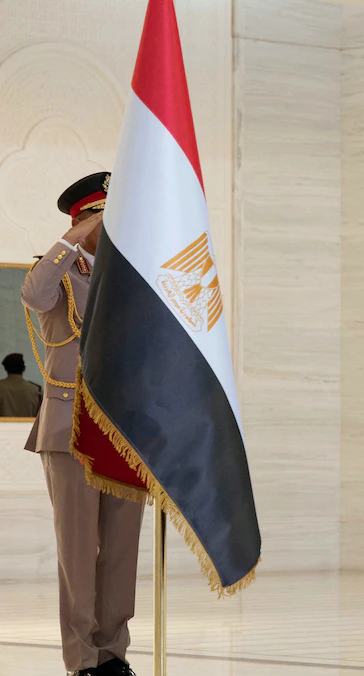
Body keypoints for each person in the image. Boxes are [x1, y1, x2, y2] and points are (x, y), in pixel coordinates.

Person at [22, 172, 144, 676]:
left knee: (120, 551)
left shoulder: (129, 277)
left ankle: (113, 654)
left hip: (124, 430)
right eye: (105, 220)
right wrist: (70, 240)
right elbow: (34, 295)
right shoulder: (57, 273)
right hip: (70, 426)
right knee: (77, 551)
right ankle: (82, 660)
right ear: (85, 220)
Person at [0, 353, 42, 417]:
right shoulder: (36, 390)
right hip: (30, 423)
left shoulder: (1, 387)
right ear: (24, 368)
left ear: (5, 368)